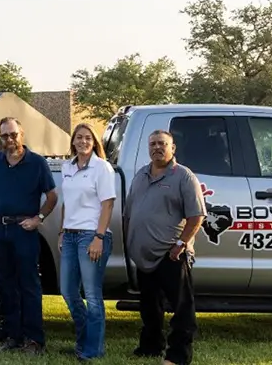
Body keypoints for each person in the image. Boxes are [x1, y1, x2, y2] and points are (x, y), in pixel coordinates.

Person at [125, 130, 204, 365]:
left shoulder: (184, 176)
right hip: (144, 256)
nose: (157, 148)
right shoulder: (141, 175)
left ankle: (178, 356)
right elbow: (130, 212)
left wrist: (181, 244)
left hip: (172, 254)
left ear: (173, 148)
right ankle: (150, 346)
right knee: (150, 307)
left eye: (162, 144)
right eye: (153, 144)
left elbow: (196, 216)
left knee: (182, 308)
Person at [0, 117, 57, 355]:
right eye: (5, 136)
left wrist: (39, 219)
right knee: (5, 284)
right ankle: (12, 336)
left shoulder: (37, 163)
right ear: (0, 138)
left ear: (22, 134)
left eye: (13, 134)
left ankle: (35, 340)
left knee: (29, 285)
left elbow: (52, 196)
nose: (10, 139)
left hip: (24, 230)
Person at [58, 122, 117, 361]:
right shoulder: (67, 167)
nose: (83, 141)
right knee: (67, 291)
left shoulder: (102, 168)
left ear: (94, 143)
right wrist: (62, 231)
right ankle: (84, 340)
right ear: (73, 141)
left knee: (92, 295)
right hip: (70, 236)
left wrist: (99, 237)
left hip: (91, 235)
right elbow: (66, 202)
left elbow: (108, 204)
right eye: (79, 137)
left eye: (88, 138)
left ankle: (93, 349)